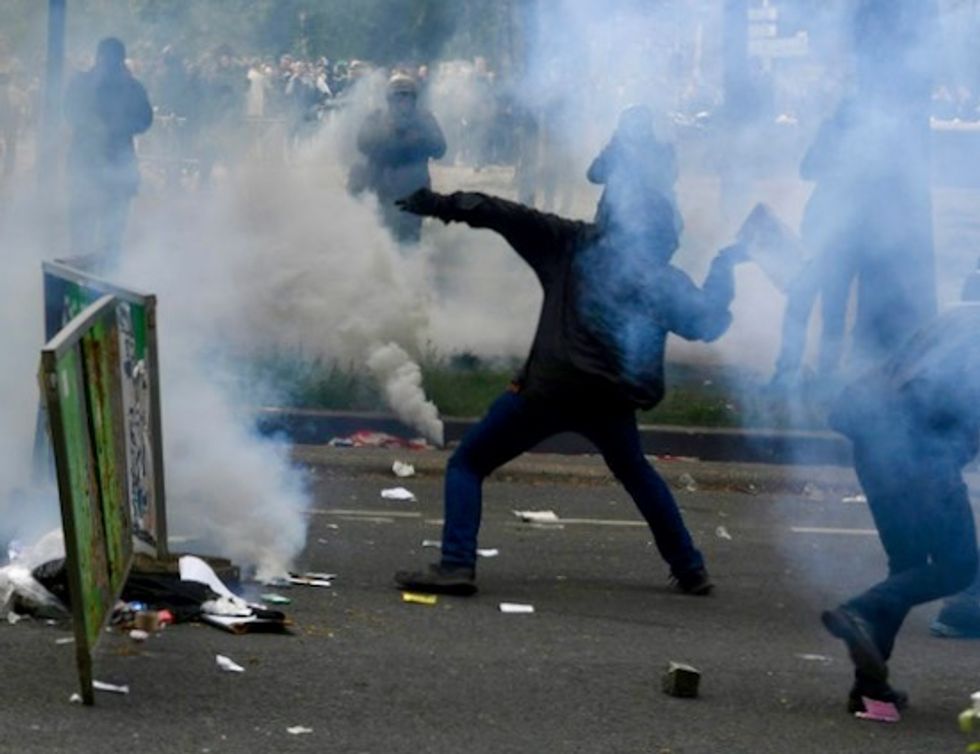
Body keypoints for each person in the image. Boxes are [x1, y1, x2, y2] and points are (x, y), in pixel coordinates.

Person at [392, 184, 747, 596]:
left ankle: (456, 564)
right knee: (636, 472)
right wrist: (724, 267)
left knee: (468, 463)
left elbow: (505, 213)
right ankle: (689, 568)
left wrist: (440, 205)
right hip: (611, 399)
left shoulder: (570, 242)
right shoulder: (661, 278)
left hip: (550, 389)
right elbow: (708, 322)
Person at [822, 304, 980, 716]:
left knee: (907, 565)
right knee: (958, 567)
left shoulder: (961, 314)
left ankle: (870, 688)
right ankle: (859, 610)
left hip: (873, 435)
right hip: (919, 451)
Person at [64, 37, 152, 264]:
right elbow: (70, 112)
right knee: (89, 227)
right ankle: (90, 272)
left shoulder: (131, 87)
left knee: (107, 230)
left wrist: (118, 128)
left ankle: (101, 273)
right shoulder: (85, 84)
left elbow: (144, 120)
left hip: (114, 166)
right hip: (88, 164)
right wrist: (96, 128)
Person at [350, 73, 446, 244]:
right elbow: (362, 144)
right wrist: (388, 137)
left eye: (407, 96)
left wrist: (420, 139)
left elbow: (440, 149)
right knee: (383, 235)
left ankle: (408, 269)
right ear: (389, 99)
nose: (403, 101)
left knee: (409, 239)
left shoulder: (424, 119)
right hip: (382, 188)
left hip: (414, 189)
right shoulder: (377, 118)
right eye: (398, 96)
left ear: (414, 98)